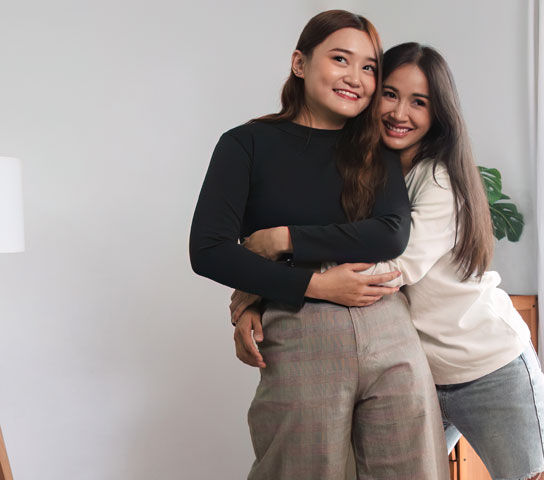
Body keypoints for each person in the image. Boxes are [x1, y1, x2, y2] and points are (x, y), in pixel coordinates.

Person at [189, 10, 445, 479]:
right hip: (300, 332)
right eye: (340, 59)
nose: (355, 78)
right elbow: (208, 249)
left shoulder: (374, 148)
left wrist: (286, 240)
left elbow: (391, 232)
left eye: (369, 67)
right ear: (300, 63)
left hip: (390, 335)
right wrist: (313, 286)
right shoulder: (246, 144)